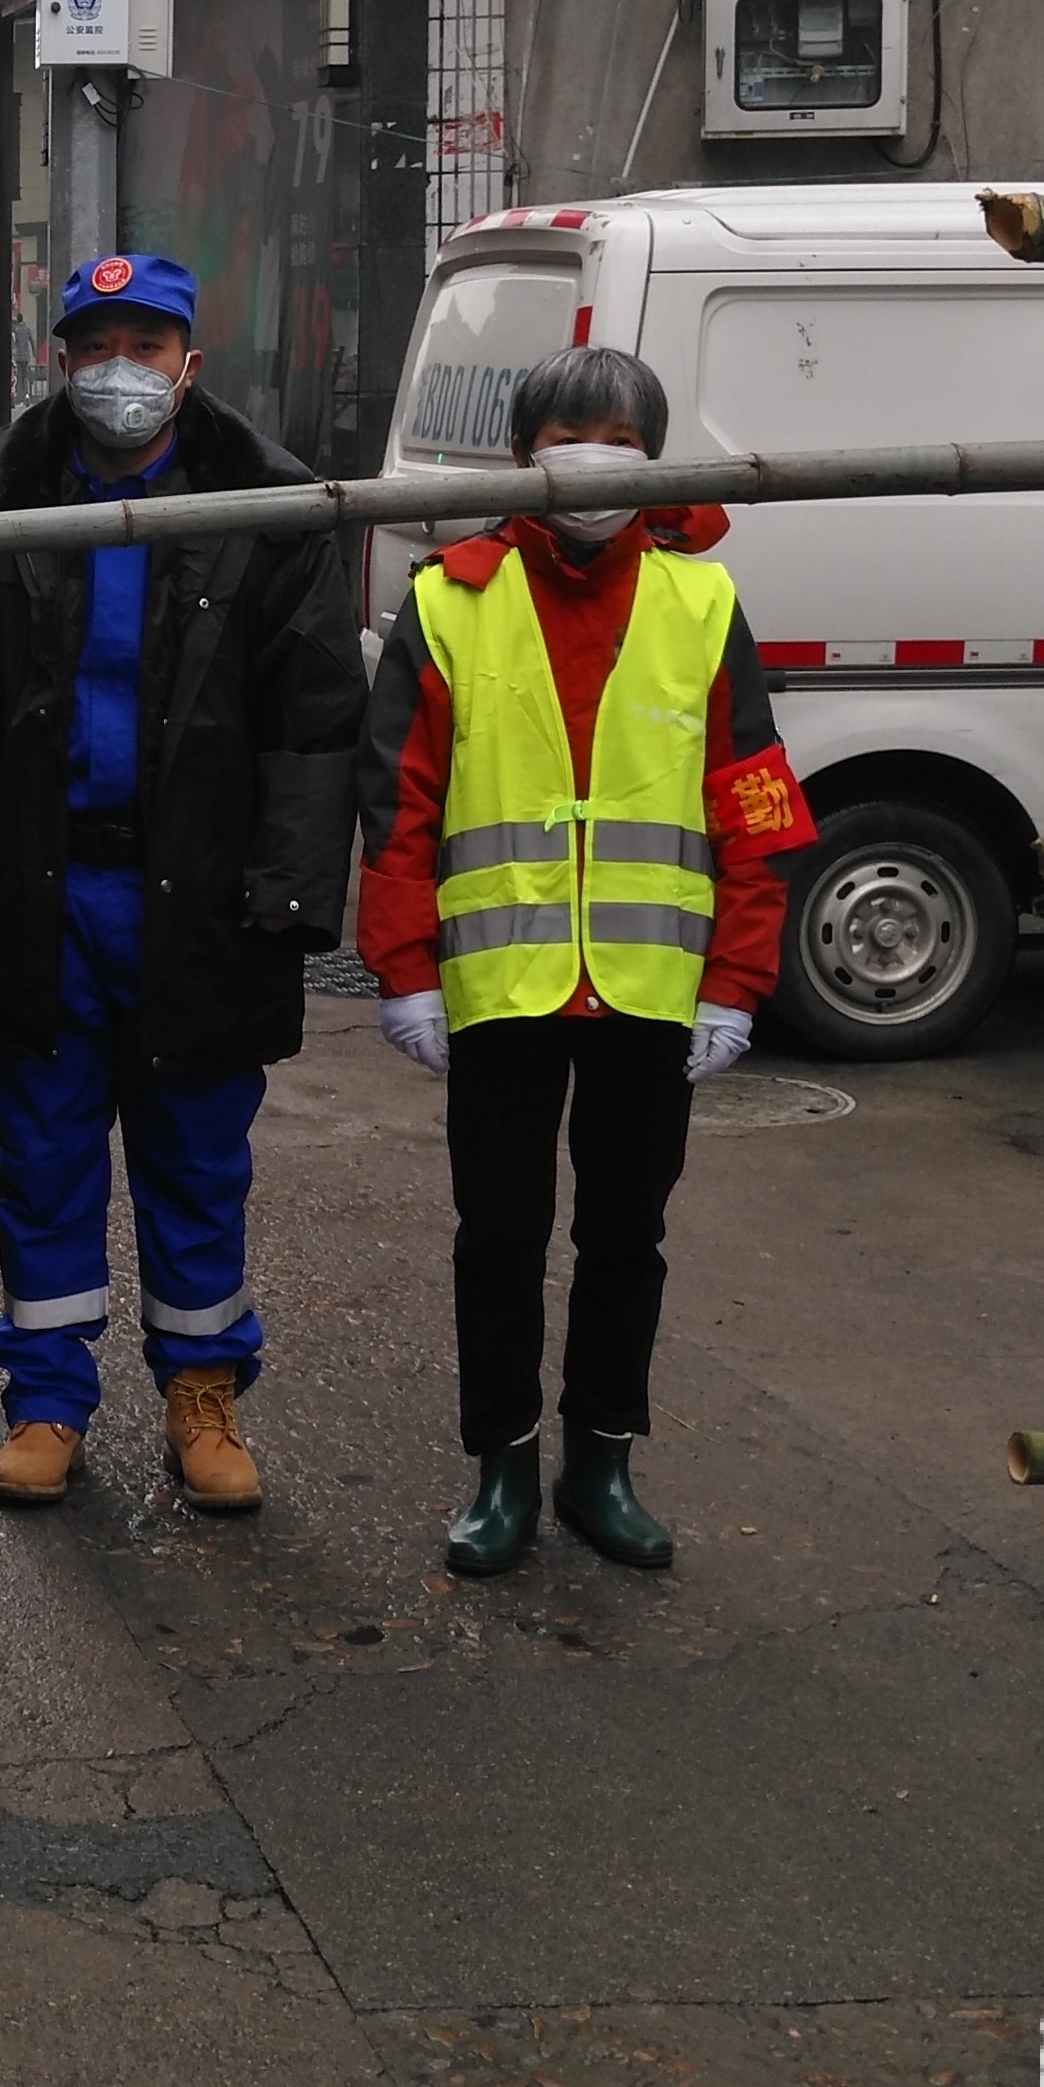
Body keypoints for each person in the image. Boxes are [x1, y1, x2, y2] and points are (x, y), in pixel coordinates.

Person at [0, 253, 364, 1512]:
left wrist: (293, 888)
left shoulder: (271, 508)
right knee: (41, 1159)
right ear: (57, 361)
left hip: (199, 896)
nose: (119, 373)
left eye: (145, 347)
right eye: (94, 347)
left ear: (190, 364)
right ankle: (46, 1397)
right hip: (45, 891)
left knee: (198, 1161)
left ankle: (203, 1396)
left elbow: (313, 715)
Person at [356, 344, 812, 1579]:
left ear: (651, 459)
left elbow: (754, 806)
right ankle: (500, 1465)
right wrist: (401, 968)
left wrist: (736, 980)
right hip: (498, 992)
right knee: (496, 1236)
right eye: (570, 435)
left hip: (650, 995)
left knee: (626, 1239)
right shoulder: (448, 599)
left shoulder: (702, 606)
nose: (591, 458)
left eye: (617, 437)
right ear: (525, 455)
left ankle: (602, 1460)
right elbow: (398, 804)